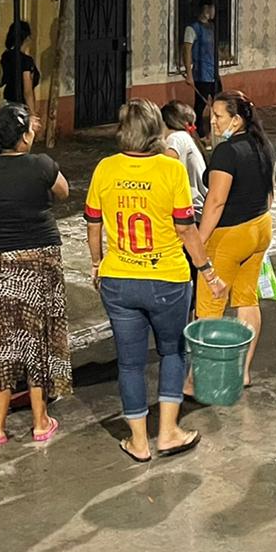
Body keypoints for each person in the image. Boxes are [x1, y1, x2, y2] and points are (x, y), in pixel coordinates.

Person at [84, 99, 227, 462]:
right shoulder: (170, 170)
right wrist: (208, 272)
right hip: (167, 279)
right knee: (172, 352)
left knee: (129, 363)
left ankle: (138, 441)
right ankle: (167, 432)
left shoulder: (105, 168)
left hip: (119, 278)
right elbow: (186, 229)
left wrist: (97, 263)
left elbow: (93, 222)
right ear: (155, 131)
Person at [0, 104, 71, 446]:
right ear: (23, 137)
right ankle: (41, 420)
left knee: (1, 341)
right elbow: (63, 192)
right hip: (41, 256)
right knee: (38, 337)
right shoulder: (41, 165)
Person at [188, 90, 276, 391]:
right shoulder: (262, 144)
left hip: (228, 236)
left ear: (236, 120)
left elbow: (215, 202)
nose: (212, 122)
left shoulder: (227, 152)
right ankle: (242, 373)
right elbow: (270, 193)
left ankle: (202, 380)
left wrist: (198, 241)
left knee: (209, 309)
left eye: (218, 116)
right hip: (260, 228)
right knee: (246, 300)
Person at [180, 0, 221, 138]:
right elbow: (187, 50)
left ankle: (214, 132)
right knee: (200, 106)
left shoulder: (212, 27)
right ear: (206, 9)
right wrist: (189, 74)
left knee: (218, 103)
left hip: (213, 73)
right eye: (212, 8)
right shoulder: (192, 28)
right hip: (201, 74)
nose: (214, 12)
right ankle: (199, 134)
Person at [162, 100, 207, 218]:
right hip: (198, 208)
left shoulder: (176, 138)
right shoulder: (186, 137)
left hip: (191, 210)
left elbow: (165, 169)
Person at [0, 20, 40, 119]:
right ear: (27, 38)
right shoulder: (26, 61)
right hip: (21, 107)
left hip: (7, 103)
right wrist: (32, 114)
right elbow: (27, 91)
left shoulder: (6, 56)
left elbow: (0, 81)